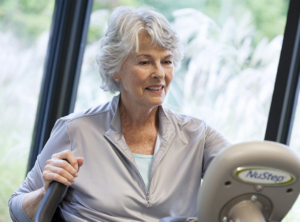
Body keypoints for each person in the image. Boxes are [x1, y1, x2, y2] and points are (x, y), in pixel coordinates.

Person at [9, 6, 230, 222]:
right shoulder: (75, 129)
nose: (160, 73)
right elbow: (17, 208)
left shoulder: (198, 136)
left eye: (167, 61)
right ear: (115, 70)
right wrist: (45, 193)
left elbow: (247, 173)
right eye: (145, 62)